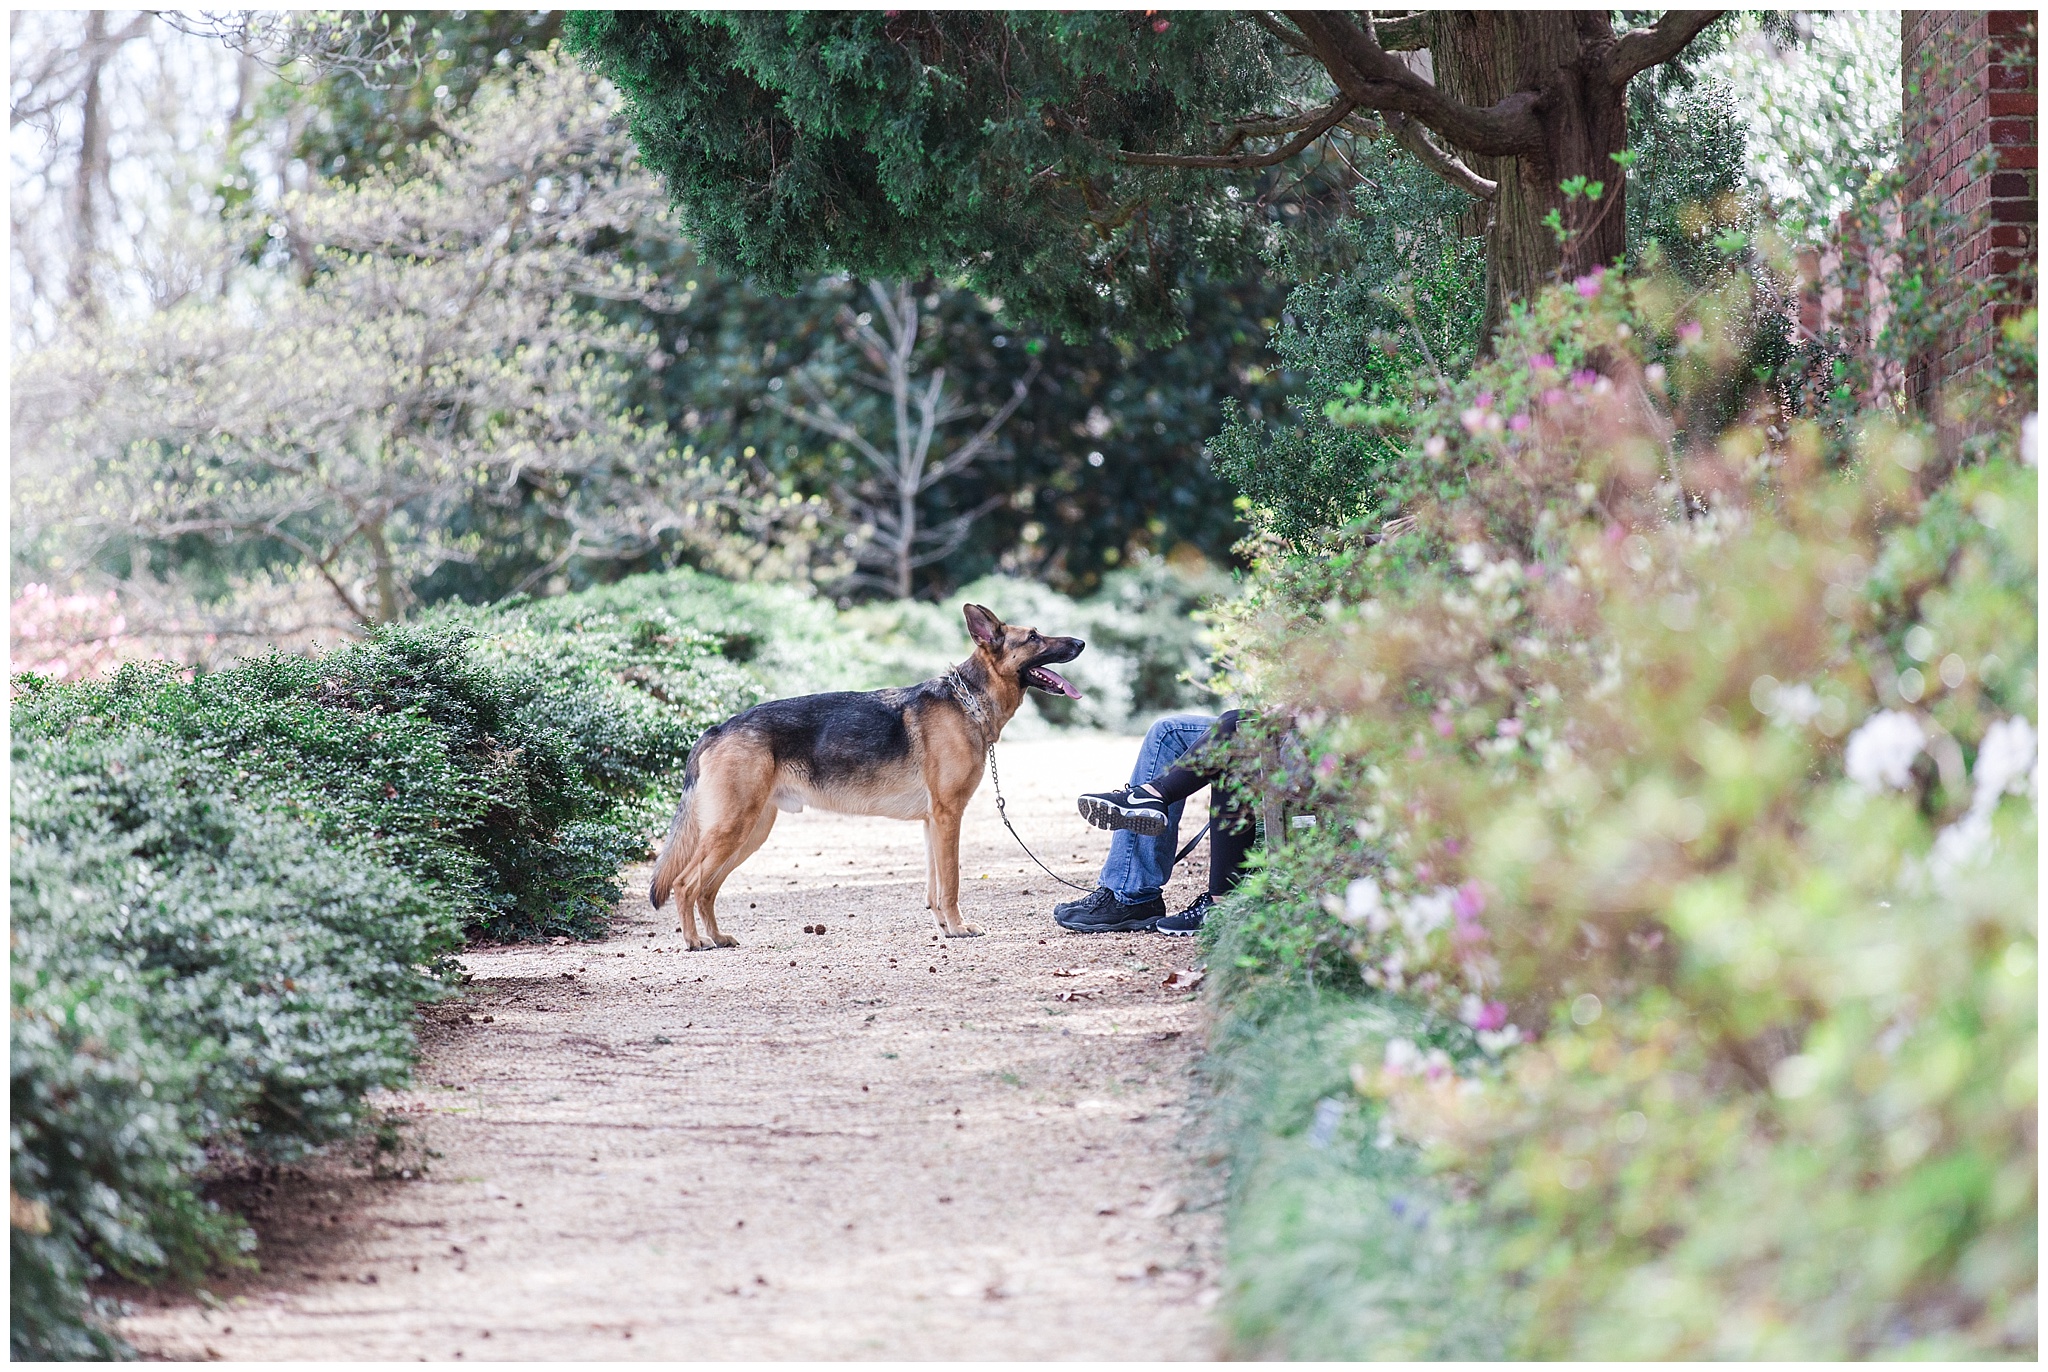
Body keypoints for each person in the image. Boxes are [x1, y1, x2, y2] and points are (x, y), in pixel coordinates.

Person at [1052, 709, 1254, 935]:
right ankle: (1134, 891)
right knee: (1167, 732)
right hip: (1279, 723)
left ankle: (1146, 800)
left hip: (1289, 733)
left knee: (1235, 727)